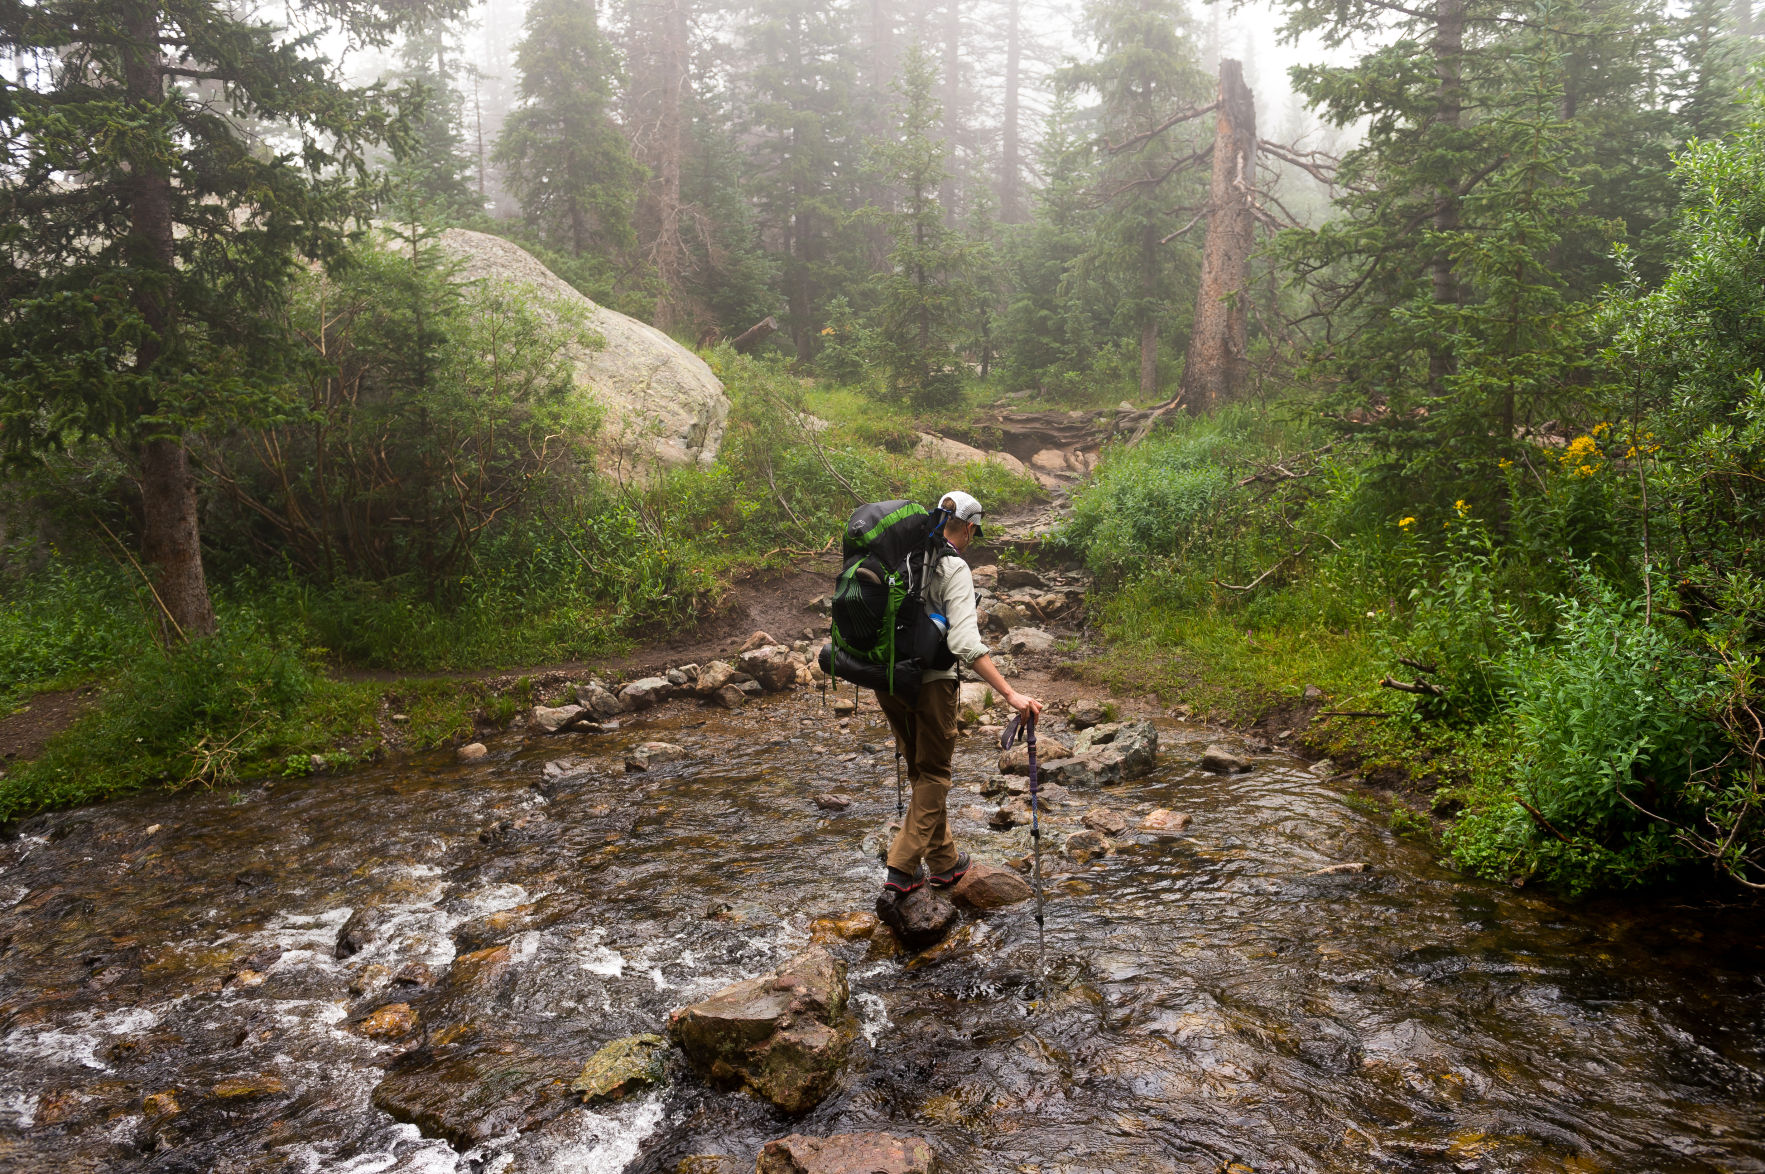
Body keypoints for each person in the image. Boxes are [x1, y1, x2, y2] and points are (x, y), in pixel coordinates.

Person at [877, 490, 1044, 896]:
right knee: (935, 774)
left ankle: (945, 861)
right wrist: (1010, 694)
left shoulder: (902, 557)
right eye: (975, 533)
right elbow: (966, 644)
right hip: (931, 684)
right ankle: (900, 870)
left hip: (886, 680)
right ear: (968, 528)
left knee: (921, 772)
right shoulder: (953, 567)